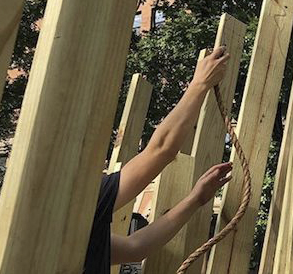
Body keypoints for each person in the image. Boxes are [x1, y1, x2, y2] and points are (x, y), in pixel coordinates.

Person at [82, 46, 234, 272]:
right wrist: (199, 84)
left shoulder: (51, 229)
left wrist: (195, 199)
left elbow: (135, 248)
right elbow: (161, 150)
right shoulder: (82, 200)